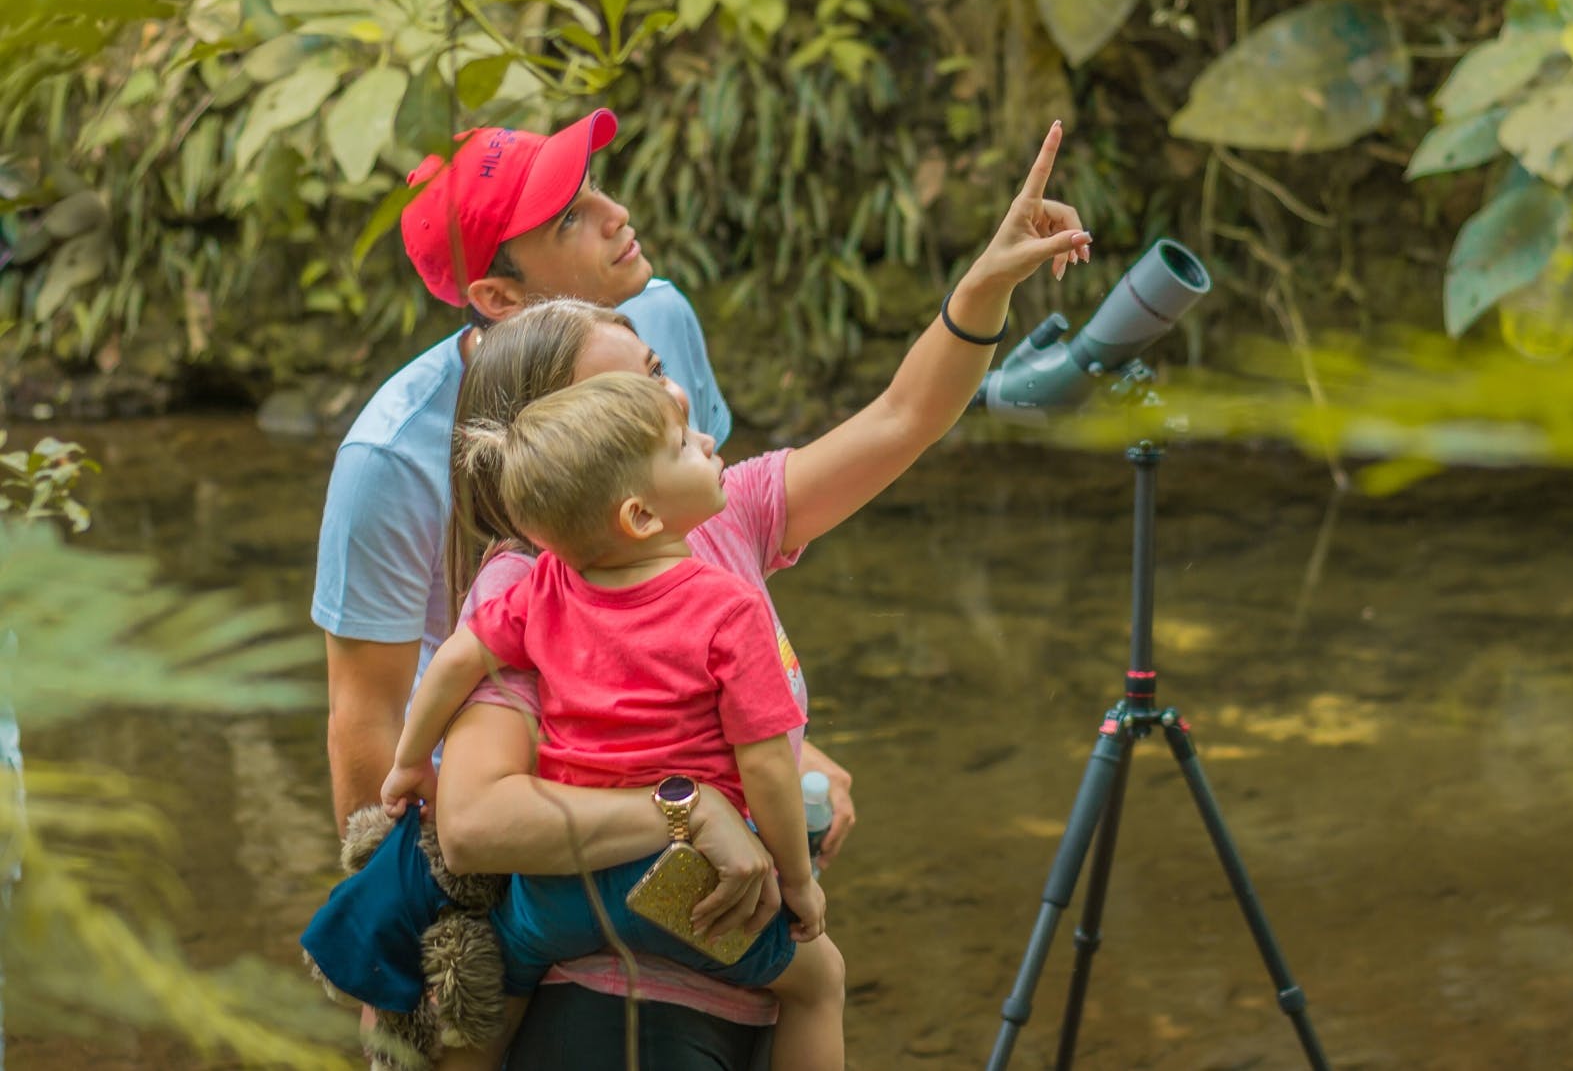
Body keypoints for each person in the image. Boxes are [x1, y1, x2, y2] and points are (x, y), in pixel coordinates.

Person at [314, 116, 1084, 1066]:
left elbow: (902, 417)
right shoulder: (525, 580)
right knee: (818, 972)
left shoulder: (713, 515)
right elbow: (461, 809)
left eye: (656, 371)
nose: (678, 397)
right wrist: (706, 819)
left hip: (641, 944)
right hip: (633, 982)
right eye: (644, 397)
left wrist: (983, 285)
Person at [380, 374, 843, 1070]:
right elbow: (768, 765)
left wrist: (410, 762)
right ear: (641, 517)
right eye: (685, 446)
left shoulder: (543, 586)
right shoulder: (727, 611)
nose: (708, 441)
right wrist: (799, 881)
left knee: (499, 976)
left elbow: (452, 665)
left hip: (558, 886)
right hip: (677, 883)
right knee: (819, 980)